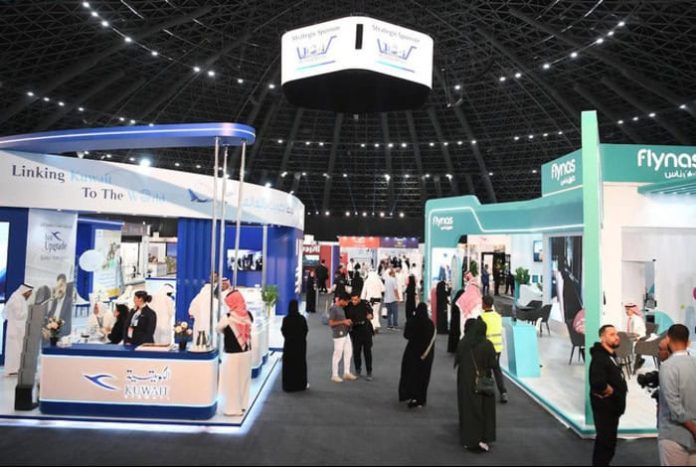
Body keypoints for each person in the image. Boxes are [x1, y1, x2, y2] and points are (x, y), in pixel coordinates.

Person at [455, 318, 497, 452]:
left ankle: (469, 438)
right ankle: (482, 438)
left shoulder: (464, 343)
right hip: (482, 381)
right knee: (484, 410)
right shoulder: (487, 345)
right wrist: (502, 389)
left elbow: (458, 359)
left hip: (465, 381)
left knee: (468, 410)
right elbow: (493, 365)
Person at [589, 325, 628, 466]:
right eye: (611, 334)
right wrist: (609, 390)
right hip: (605, 409)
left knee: (608, 444)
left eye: (616, 334)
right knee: (605, 444)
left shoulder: (610, 356)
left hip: (612, 410)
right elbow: (597, 382)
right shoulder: (600, 358)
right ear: (602, 337)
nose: (616, 337)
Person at [658, 324, 696, 466]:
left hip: (673, 436)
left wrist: (693, 428)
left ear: (668, 339)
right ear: (688, 342)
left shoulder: (667, 366)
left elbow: (674, 405)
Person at [216, 289, 254, 415]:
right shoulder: (248, 315)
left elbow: (218, 329)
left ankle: (232, 409)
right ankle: (243, 405)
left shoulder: (227, 317)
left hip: (232, 354)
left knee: (232, 382)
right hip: (246, 352)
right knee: (244, 380)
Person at [398, 303, 436, 408]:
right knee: (423, 376)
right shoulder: (430, 324)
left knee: (410, 374)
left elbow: (406, 335)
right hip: (425, 355)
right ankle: (421, 399)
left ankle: (409, 394)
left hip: (412, 352)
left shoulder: (411, 321)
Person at [479, 295, 508, 403]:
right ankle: (503, 392)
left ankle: (487, 391)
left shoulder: (481, 317)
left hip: (486, 348)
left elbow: (479, 334)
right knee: (497, 369)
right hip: (497, 348)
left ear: (484, 304)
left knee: (486, 369)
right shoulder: (498, 316)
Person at [2, 284, 33, 376]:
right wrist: (29, 312)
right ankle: (12, 370)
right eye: (29, 292)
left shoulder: (20, 298)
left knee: (17, 350)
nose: (30, 294)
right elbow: (18, 315)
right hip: (14, 330)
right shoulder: (16, 298)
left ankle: (16, 369)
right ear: (25, 291)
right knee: (13, 351)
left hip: (18, 330)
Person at [328, 293, 357, 383]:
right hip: (338, 335)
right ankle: (334, 375)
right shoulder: (333, 309)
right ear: (341, 300)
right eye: (346, 302)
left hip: (345, 333)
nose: (347, 304)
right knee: (337, 355)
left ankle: (346, 373)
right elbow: (331, 323)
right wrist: (343, 322)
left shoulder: (341, 308)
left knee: (348, 352)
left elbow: (341, 320)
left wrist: (346, 321)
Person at [345, 291, 374, 380]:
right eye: (352, 300)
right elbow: (345, 317)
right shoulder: (348, 306)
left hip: (366, 330)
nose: (354, 301)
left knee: (367, 351)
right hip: (355, 331)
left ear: (359, 298)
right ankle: (358, 370)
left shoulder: (365, 304)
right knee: (356, 351)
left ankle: (369, 372)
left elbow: (371, 313)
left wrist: (370, 316)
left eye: (356, 300)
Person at [281, 300, 308, 392]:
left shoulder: (286, 319)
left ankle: (289, 385)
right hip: (300, 346)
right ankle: (300, 384)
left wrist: (289, 338)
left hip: (289, 346)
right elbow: (305, 330)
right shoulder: (302, 319)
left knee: (289, 365)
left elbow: (284, 331)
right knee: (300, 364)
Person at [448, 289, 465, 353]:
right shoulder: (459, 303)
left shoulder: (455, 301)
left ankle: (453, 348)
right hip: (457, 321)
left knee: (454, 335)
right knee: (457, 335)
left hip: (454, 321)